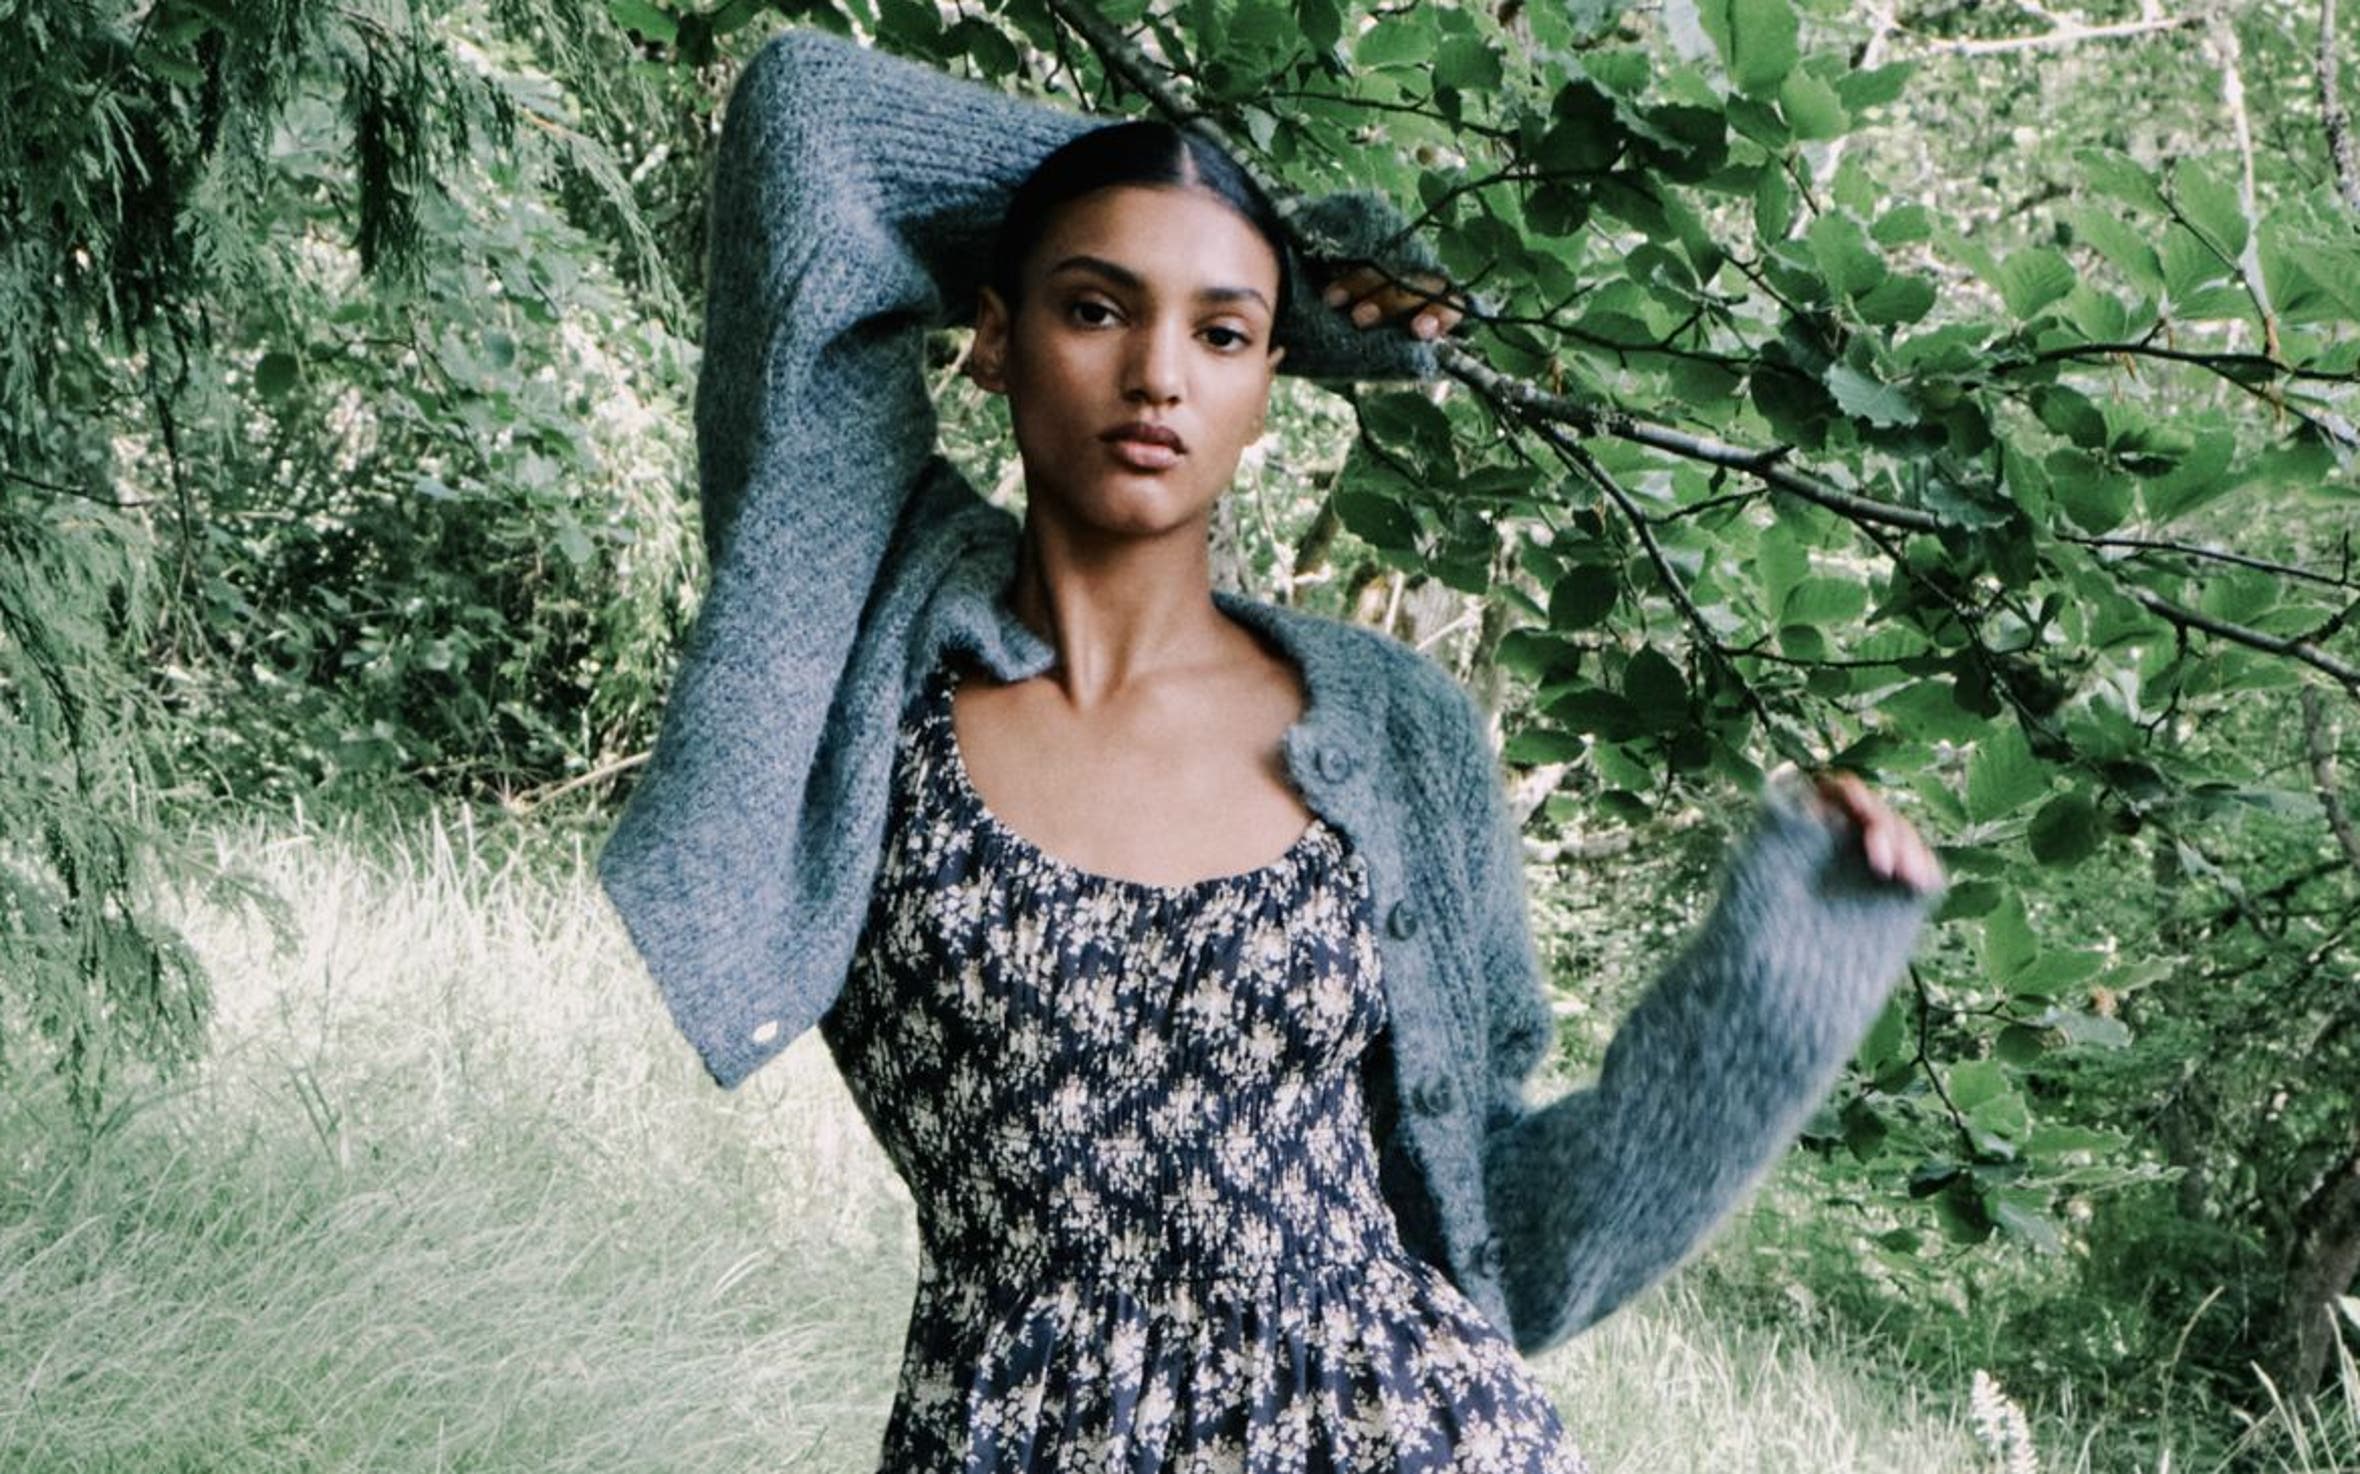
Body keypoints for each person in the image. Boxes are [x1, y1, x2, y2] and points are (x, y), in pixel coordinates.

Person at [598, 26, 1945, 1473]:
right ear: (992, 336)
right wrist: (1275, 237)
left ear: (1269, 377)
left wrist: (1772, 997)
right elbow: (812, 124)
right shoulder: (859, 614)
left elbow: (1506, 1243)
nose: (1159, 373)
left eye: (1225, 329)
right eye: (1098, 307)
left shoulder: (1393, 729)